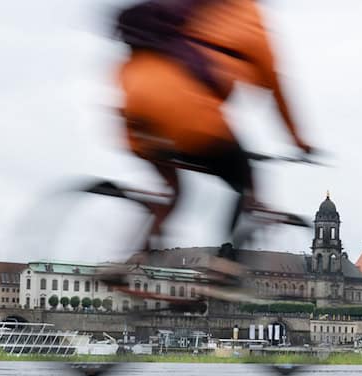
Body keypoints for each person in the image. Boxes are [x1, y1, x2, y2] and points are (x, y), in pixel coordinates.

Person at [116, 0, 313, 258]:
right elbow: (276, 90)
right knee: (247, 183)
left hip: (131, 104)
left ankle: (132, 259)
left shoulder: (190, 8)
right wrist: (300, 141)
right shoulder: (251, 19)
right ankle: (225, 265)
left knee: (172, 189)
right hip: (189, 114)